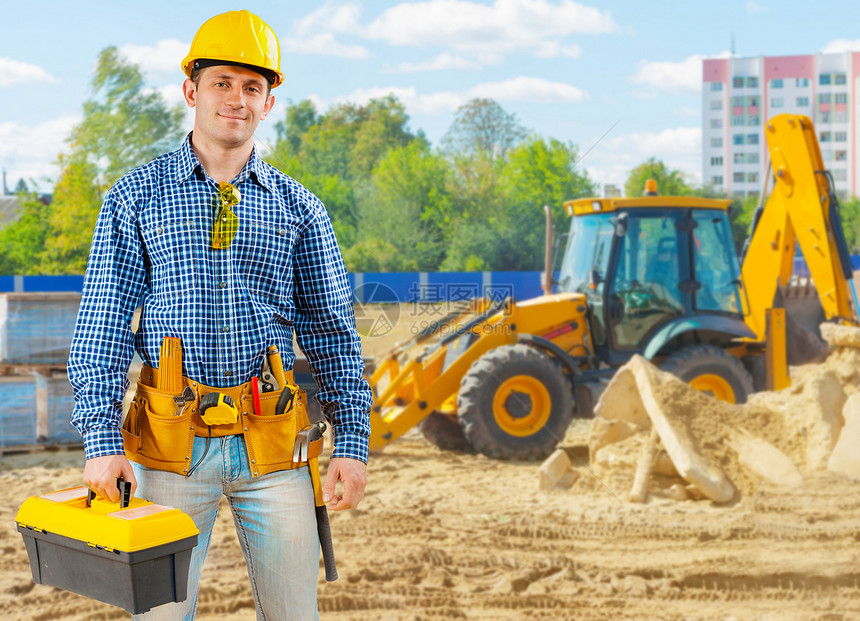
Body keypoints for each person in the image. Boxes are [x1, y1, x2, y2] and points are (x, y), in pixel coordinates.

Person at [68, 9, 372, 620]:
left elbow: (333, 332)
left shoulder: (300, 208)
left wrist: (353, 442)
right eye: (221, 83)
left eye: (252, 87)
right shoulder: (135, 198)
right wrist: (102, 441)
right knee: (161, 615)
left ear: (269, 101)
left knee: (294, 615)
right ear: (191, 90)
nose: (236, 98)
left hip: (273, 446)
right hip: (169, 450)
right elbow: (102, 324)